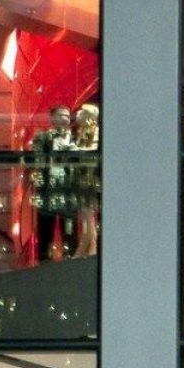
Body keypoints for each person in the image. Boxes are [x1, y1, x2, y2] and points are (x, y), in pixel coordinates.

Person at [24, 105, 75, 264]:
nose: (65, 118)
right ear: (52, 119)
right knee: (46, 225)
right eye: (61, 115)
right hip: (48, 188)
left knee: (69, 225)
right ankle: (43, 259)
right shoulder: (43, 137)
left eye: (67, 116)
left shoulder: (74, 138)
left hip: (68, 188)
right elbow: (34, 157)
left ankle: (71, 256)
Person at [69, 102, 102, 257]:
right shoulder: (84, 134)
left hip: (87, 180)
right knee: (87, 218)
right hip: (84, 179)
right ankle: (91, 249)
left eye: (81, 112)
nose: (77, 115)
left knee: (87, 217)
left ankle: (85, 249)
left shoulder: (91, 133)